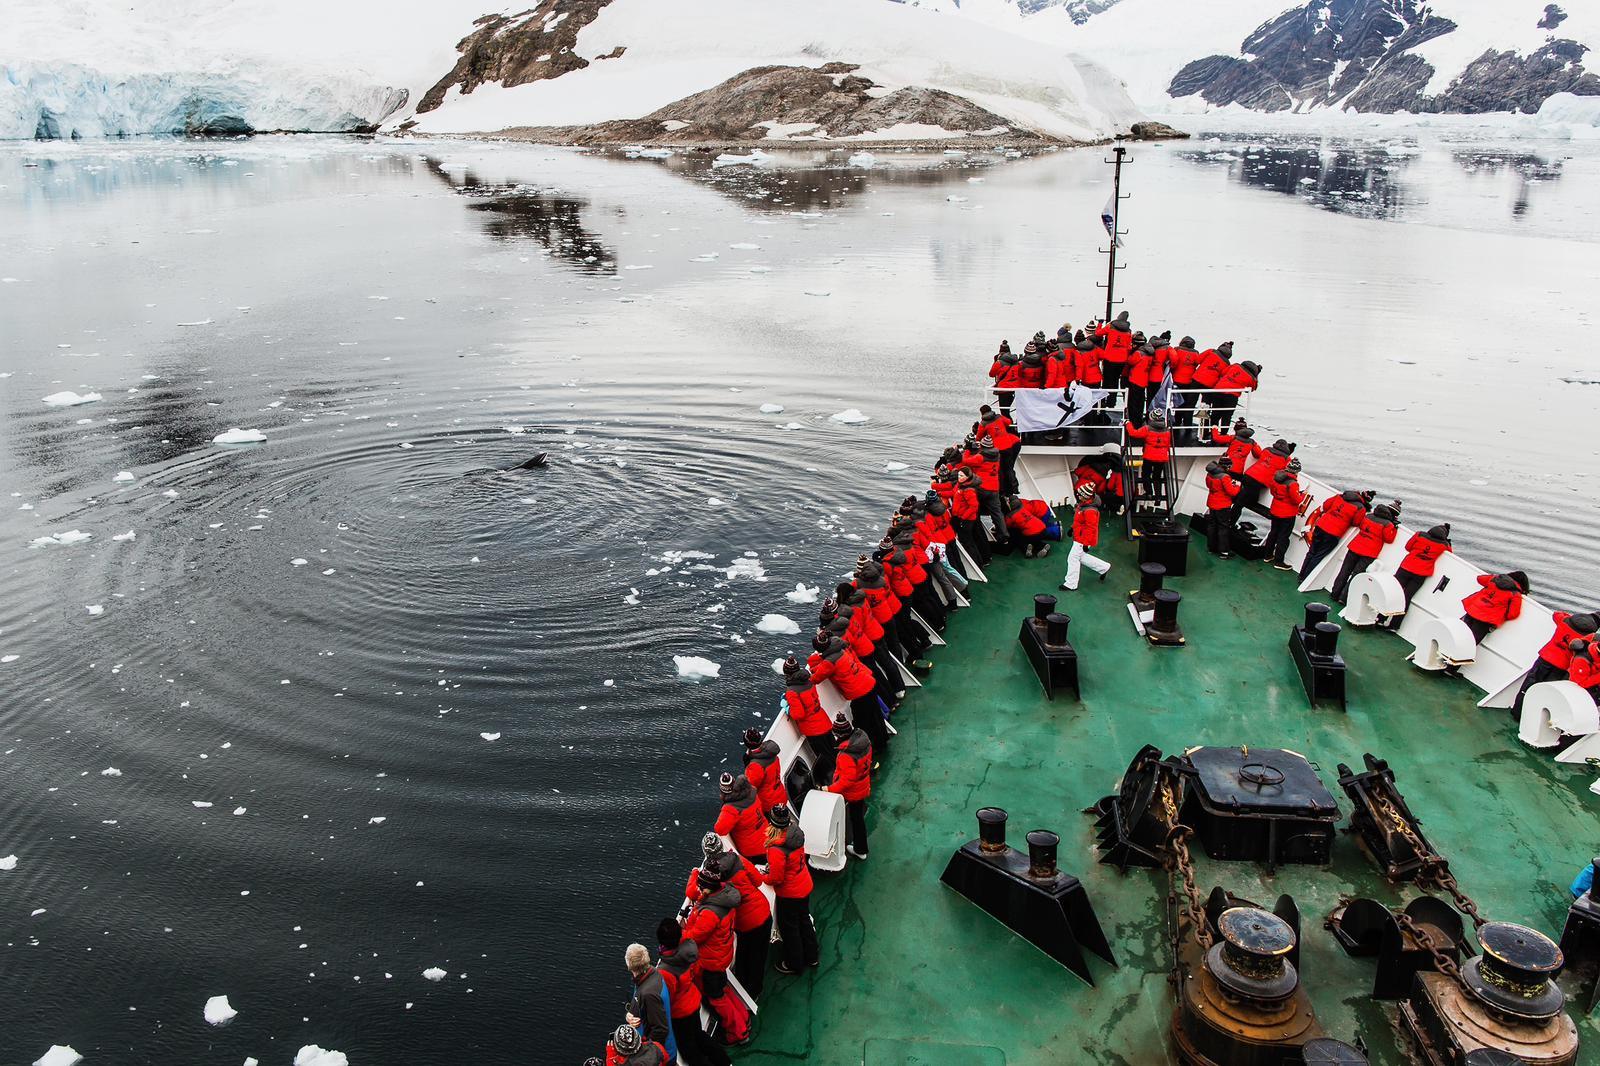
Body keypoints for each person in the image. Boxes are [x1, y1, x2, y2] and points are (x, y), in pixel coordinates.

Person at [691, 834, 772, 1001]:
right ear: (721, 847)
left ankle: (747, 991)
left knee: (745, 955)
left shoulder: (711, 876)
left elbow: (693, 893)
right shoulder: (738, 859)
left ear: (706, 853)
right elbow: (757, 881)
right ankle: (752, 991)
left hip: (743, 922)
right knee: (758, 955)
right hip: (762, 911)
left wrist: (694, 874)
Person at [680, 865, 746, 1044]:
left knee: (717, 998)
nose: (699, 889)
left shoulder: (710, 912)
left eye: (701, 886)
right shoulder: (724, 896)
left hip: (712, 961)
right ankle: (743, 1018)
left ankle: (738, 1033)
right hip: (721, 954)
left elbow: (695, 937)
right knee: (722, 989)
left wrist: (681, 933)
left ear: (708, 888)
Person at [656, 921, 731, 1066]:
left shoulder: (665, 971)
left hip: (680, 1013)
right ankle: (724, 1061)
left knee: (689, 1050)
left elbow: (668, 997)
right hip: (693, 1001)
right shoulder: (688, 952)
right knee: (699, 1036)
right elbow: (695, 970)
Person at [807, 631, 890, 759]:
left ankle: (869, 747)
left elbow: (816, 678)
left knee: (863, 720)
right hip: (867, 683)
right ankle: (882, 741)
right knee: (875, 715)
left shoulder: (830, 662)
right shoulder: (840, 651)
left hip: (859, 692)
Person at [762, 803, 819, 975]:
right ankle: (812, 956)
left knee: (790, 929)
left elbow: (777, 878)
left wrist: (764, 877)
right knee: (804, 921)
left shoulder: (777, 850)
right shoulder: (796, 834)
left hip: (790, 894)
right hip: (804, 885)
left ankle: (794, 963)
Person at [1515, 612, 1600, 715]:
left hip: (1545, 658)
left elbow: (1556, 614)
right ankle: (1533, 716)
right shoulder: (1589, 637)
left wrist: (1570, 617)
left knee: (1528, 685)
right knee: (1546, 693)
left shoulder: (1565, 621)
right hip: (1561, 667)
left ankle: (1517, 712)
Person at [1331, 501, 1400, 604]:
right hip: (1369, 552)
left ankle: (1335, 593)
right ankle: (1343, 598)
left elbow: (1360, 526)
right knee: (1356, 575)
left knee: (1344, 570)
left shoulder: (1368, 516)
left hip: (1355, 546)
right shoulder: (1388, 524)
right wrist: (1395, 528)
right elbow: (1388, 539)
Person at [825, 713, 873, 860]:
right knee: (857, 816)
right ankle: (860, 847)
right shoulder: (863, 743)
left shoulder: (846, 755)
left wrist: (828, 789)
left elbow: (847, 781)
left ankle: (860, 849)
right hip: (863, 784)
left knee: (856, 819)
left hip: (854, 792)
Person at [781, 656, 835, 782]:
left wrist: (788, 708)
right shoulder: (808, 680)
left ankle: (833, 780)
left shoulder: (792, 691)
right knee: (833, 751)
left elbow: (799, 714)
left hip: (813, 729)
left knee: (825, 758)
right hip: (823, 720)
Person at [1299, 489, 1369, 581]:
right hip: (1333, 533)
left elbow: (1326, 505)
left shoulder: (1339, 496)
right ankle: (1305, 578)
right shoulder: (1360, 508)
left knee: (1312, 552)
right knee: (1318, 555)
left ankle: (1301, 574)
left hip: (1321, 526)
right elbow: (1356, 522)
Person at [624, 943, 675, 1061]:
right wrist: (629, 1014)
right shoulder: (650, 974)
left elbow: (660, 1030)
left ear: (629, 965)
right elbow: (640, 1004)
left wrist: (643, 1054)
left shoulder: (649, 994)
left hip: (659, 1056)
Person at [1060, 489, 1111, 591]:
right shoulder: (1083, 505)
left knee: (1072, 558)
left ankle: (1071, 584)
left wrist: (1085, 543)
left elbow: (1090, 528)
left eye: (1080, 495)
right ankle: (1104, 567)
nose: (1078, 497)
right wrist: (1072, 528)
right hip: (1079, 536)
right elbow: (1079, 521)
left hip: (1083, 539)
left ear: (1086, 497)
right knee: (1080, 557)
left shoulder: (1090, 511)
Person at [1393, 523, 1452, 609]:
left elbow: (1408, 547)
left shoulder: (1419, 534)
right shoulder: (1444, 545)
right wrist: (1447, 543)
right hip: (1421, 574)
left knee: (1394, 591)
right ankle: (1395, 622)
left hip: (1406, 567)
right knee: (1407, 597)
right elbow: (1450, 553)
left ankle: (1381, 618)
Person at [1460, 570, 1528, 644]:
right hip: (1486, 620)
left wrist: (1496, 576)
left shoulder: (1495, 579)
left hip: (1472, 610)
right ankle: (1459, 655)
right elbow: (1513, 614)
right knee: (1470, 643)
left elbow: (1480, 578)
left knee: (1459, 633)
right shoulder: (1515, 594)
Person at [713, 771, 767, 863]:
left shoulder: (730, 809)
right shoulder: (752, 791)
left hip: (752, 851)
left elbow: (720, 829)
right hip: (768, 836)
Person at [1124, 409, 1173, 508]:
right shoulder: (1167, 431)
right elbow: (1168, 444)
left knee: (1146, 475)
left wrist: (1127, 423)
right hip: (1162, 457)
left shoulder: (1147, 429)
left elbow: (1133, 433)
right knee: (1157, 477)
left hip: (1149, 456)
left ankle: (1149, 493)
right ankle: (1158, 497)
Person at [1263, 465, 1305, 570]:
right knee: (1283, 537)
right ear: (1296, 472)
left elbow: (1272, 492)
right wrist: (1303, 495)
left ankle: (1267, 555)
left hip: (1275, 509)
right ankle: (1279, 561)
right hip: (1287, 514)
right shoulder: (1293, 484)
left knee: (1273, 532)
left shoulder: (1276, 477)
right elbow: (1297, 500)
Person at [976, 405, 1022, 495]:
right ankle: (1014, 488)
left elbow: (978, 437)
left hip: (997, 449)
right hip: (1008, 446)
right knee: (1009, 468)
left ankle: (1002, 490)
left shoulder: (983, 423)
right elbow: (1009, 422)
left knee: (1000, 470)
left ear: (982, 413)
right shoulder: (998, 417)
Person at [740, 727, 787, 814]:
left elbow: (750, 786)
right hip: (781, 794)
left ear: (746, 744)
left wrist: (747, 765)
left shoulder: (755, 766)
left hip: (769, 804)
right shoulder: (771, 753)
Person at [1203, 459, 1240, 557]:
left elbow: (1208, 485)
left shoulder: (1210, 474)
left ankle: (1212, 547)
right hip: (1222, 505)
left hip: (1212, 503)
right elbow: (1232, 492)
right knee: (1223, 528)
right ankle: (1224, 551)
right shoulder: (1225, 477)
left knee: (1212, 526)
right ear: (1227, 466)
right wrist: (1237, 486)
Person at [1003, 494, 1054, 559]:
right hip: (1043, 529)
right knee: (1035, 539)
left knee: (1020, 539)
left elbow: (1007, 525)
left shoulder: (1011, 516)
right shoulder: (1024, 509)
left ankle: (1026, 548)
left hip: (1032, 533)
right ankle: (1043, 545)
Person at [1096, 310, 1133, 391]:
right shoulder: (1128, 331)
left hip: (1109, 357)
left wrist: (1099, 324)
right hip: (1122, 360)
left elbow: (1098, 333)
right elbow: (1129, 347)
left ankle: (1104, 400)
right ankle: (1112, 401)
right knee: (1115, 380)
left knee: (1106, 380)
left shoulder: (1110, 326)